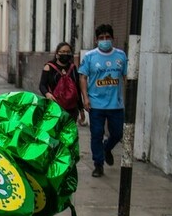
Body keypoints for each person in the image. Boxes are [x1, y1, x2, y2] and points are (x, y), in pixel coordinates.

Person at [79, 24, 128, 178]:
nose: (104, 40)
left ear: (112, 38)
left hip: (116, 104)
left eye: (107, 37)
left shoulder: (121, 56)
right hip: (96, 104)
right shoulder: (90, 57)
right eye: (101, 38)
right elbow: (83, 77)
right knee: (96, 134)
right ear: (96, 40)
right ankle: (98, 164)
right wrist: (85, 98)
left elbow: (126, 76)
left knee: (118, 133)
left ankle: (107, 148)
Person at [39, 42, 86, 123]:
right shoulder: (49, 67)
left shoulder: (73, 68)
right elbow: (42, 85)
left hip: (72, 109)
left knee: (68, 133)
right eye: (63, 51)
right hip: (55, 106)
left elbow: (77, 89)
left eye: (68, 52)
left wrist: (81, 109)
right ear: (57, 54)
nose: (65, 54)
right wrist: (47, 94)